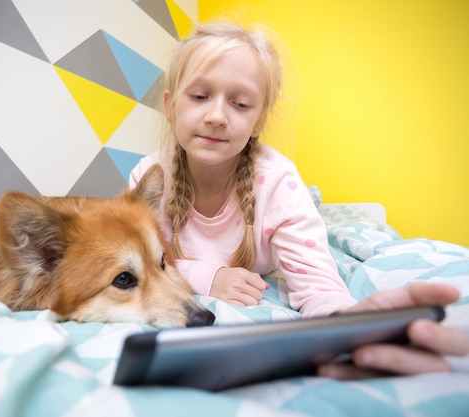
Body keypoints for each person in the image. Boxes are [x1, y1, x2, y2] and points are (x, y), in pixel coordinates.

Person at [129, 22, 469, 379]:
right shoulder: (149, 175)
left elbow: (318, 285)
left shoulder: (278, 181)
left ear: (258, 120)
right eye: (199, 97)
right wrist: (207, 276)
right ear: (169, 106)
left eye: (240, 103)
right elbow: (143, 265)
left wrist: (347, 326)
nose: (216, 116)